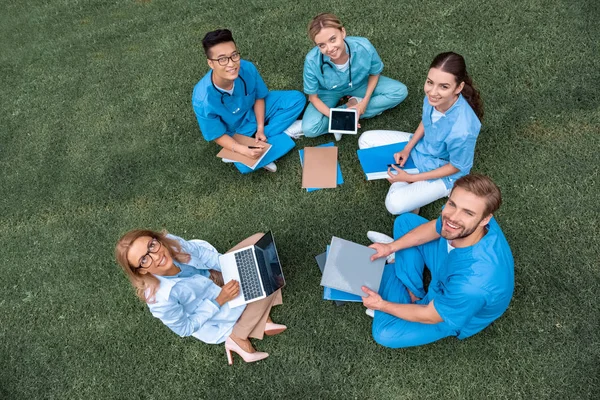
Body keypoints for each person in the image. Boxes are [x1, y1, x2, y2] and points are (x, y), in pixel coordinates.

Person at [362, 174, 514, 348]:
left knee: (385, 334)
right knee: (405, 222)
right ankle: (410, 290)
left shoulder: (473, 285)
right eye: (452, 204)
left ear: (486, 219)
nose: (453, 217)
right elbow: (438, 226)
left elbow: (431, 315)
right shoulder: (461, 220)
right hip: (447, 260)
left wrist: (382, 305)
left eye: (468, 213)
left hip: (451, 304)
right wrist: (390, 247)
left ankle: (396, 284)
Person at [115, 230, 287, 365]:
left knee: (259, 241)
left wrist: (231, 267)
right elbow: (185, 328)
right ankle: (238, 336)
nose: (156, 255)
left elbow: (203, 254)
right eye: (144, 259)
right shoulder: (160, 300)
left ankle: (258, 319)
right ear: (141, 271)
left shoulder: (169, 243)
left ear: (156, 239)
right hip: (215, 309)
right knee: (266, 282)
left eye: (152, 245)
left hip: (215, 279)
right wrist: (220, 299)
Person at [358, 52, 484, 215]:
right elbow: (426, 121)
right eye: (430, 82)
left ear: (458, 88)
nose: (433, 91)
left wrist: (410, 178)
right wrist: (407, 148)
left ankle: (406, 186)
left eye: (444, 86)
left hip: (444, 172)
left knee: (394, 204)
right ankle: (407, 187)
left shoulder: (463, 129)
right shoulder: (433, 98)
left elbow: (456, 166)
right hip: (423, 148)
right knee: (366, 140)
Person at [192, 29, 306, 173]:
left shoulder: (247, 68)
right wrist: (242, 150)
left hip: (255, 112)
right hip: (237, 131)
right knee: (243, 166)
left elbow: (259, 97)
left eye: (234, 55)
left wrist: (260, 128)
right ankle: (288, 133)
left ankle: (263, 144)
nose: (232, 64)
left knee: (296, 99)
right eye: (222, 59)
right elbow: (217, 135)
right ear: (211, 63)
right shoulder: (202, 100)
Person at [302, 13, 408, 140]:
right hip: (328, 91)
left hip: (360, 84)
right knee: (309, 129)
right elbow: (313, 98)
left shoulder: (364, 46)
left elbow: (375, 73)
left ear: (343, 32)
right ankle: (348, 112)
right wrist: (337, 117)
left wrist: (364, 102)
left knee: (400, 91)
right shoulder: (312, 60)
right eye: (322, 45)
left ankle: (355, 106)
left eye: (332, 39)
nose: (329, 48)